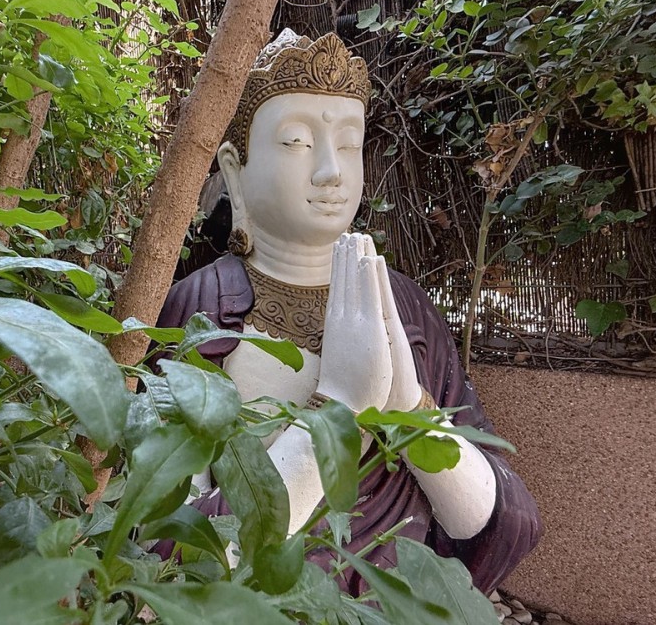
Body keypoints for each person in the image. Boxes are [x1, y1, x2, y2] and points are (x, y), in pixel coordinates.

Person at [156, 30, 541, 596]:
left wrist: (410, 410)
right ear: (235, 170)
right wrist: (339, 408)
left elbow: (504, 525)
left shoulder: (403, 306)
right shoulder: (201, 309)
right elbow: (169, 553)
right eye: (295, 142)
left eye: (349, 143)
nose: (330, 172)